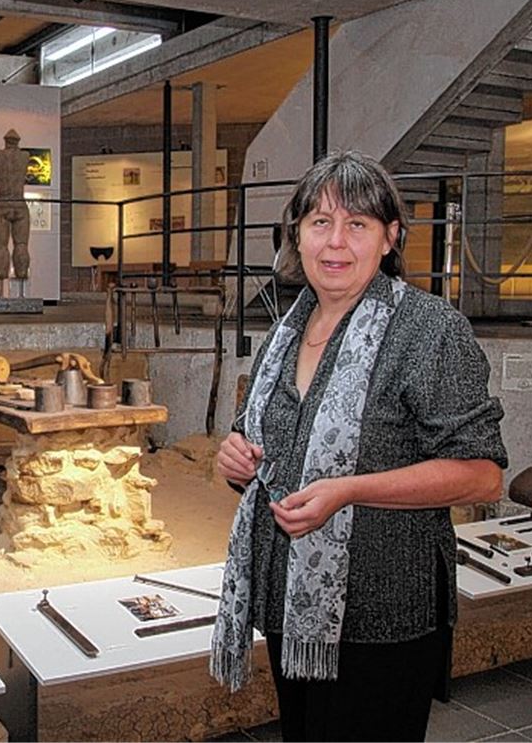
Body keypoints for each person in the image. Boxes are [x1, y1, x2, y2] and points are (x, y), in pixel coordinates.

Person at [210, 151, 506, 741]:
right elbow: (261, 446)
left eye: (358, 224)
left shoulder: (429, 330)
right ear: (297, 233)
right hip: (291, 611)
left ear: (390, 236)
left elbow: (482, 475)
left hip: (384, 618)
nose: (335, 242)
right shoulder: (285, 329)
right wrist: (237, 461)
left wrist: (349, 491)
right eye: (320, 222)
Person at [0, 129, 31, 296]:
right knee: (21, 245)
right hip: (20, 204)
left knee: (1, 246)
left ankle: (2, 287)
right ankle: (20, 287)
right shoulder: (25, 156)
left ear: (5, 140)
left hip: (4, 203)